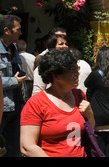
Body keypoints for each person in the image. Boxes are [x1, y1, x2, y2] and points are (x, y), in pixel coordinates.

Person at [20, 49, 95, 157]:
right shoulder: (36, 103)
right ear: (55, 74)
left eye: (77, 69)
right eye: (72, 70)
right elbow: (27, 147)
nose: (77, 73)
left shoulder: (80, 96)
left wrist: (90, 115)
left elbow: (89, 130)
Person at [0, 14, 26, 157]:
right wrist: (13, 82)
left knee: (14, 150)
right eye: (18, 29)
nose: (21, 32)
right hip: (2, 109)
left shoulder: (13, 49)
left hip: (15, 108)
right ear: (7, 30)